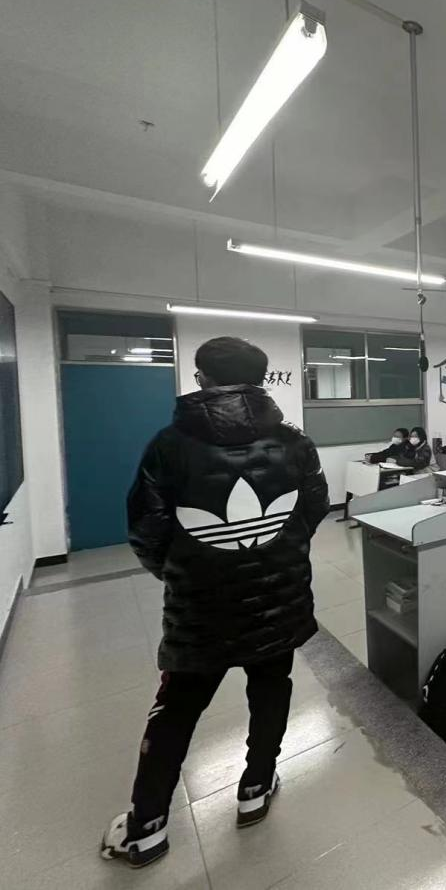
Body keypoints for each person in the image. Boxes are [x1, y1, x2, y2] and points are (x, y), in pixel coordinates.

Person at [102, 337, 329, 867]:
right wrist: (275, 554)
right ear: (262, 380)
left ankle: (146, 827)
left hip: (201, 607)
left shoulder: (169, 444)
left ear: (201, 377)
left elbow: (146, 529)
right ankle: (256, 785)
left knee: (177, 708)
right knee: (271, 688)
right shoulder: (295, 442)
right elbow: (313, 508)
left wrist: (181, 572)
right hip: (279, 596)